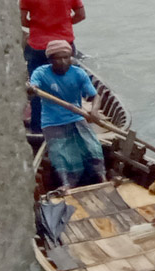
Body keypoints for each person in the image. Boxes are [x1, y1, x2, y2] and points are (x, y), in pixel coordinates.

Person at [19, 0, 85, 133]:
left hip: (38, 46)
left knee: (36, 85)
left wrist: (40, 25)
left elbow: (22, 21)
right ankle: (73, 122)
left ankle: (37, 127)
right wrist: (63, 22)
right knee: (70, 81)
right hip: (64, 46)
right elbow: (80, 15)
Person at [29, 40, 104, 187]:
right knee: (60, 154)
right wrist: (32, 90)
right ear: (50, 60)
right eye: (58, 58)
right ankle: (66, 185)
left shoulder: (78, 73)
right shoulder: (41, 73)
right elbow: (33, 86)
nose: (63, 62)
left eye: (66, 57)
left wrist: (94, 111)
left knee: (93, 147)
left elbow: (95, 96)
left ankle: (102, 178)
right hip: (52, 121)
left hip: (76, 115)